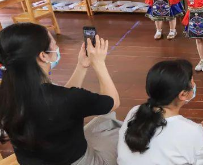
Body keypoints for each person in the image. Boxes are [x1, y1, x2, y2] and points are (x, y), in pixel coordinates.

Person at [0, 23, 121, 165]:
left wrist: (81, 66)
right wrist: (99, 63)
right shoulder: (64, 99)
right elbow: (112, 102)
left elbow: (62, 100)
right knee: (122, 131)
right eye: (54, 44)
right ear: (43, 56)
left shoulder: (7, 93)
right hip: (79, 161)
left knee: (102, 125)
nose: (57, 48)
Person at [118, 60, 203, 165]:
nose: (194, 84)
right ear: (183, 94)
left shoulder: (135, 111)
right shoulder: (194, 132)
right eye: (192, 81)